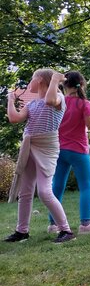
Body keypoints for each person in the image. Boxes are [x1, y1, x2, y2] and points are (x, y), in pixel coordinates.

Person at [4, 69, 75, 243]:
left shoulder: (58, 98)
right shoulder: (32, 104)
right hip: (30, 145)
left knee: (44, 191)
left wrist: (56, 80)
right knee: (25, 191)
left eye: (32, 79)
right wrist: (10, 100)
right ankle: (22, 231)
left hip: (47, 147)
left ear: (41, 80)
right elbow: (14, 118)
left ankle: (65, 230)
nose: (29, 83)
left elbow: (50, 100)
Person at [49, 71, 90, 234]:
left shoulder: (58, 102)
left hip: (59, 150)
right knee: (86, 186)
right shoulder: (84, 103)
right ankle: (85, 224)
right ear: (81, 85)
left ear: (64, 85)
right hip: (78, 150)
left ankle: (53, 225)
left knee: (57, 185)